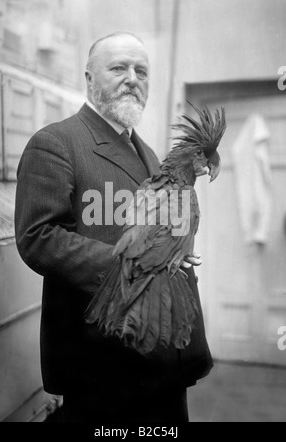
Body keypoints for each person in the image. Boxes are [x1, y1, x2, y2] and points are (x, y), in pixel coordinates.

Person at [15, 32, 213, 422]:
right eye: (119, 67)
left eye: (141, 71)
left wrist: (173, 252)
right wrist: (134, 266)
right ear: (89, 79)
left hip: (163, 357)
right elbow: (38, 237)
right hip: (103, 364)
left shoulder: (151, 154)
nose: (133, 78)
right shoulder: (56, 142)